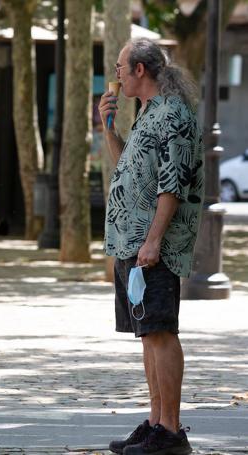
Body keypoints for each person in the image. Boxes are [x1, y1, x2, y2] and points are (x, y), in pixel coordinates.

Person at [99, 38, 203, 455]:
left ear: (140, 69)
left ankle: (172, 432)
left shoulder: (174, 114)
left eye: (121, 66)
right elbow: (126, 164)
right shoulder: (146, 113)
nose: (117, 73)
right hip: (130, 243)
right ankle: (156, 421)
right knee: (147, 335)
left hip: (150, 246)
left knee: (161, 332)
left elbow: (171, 184)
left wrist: (154, 240)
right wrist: (107, 129)